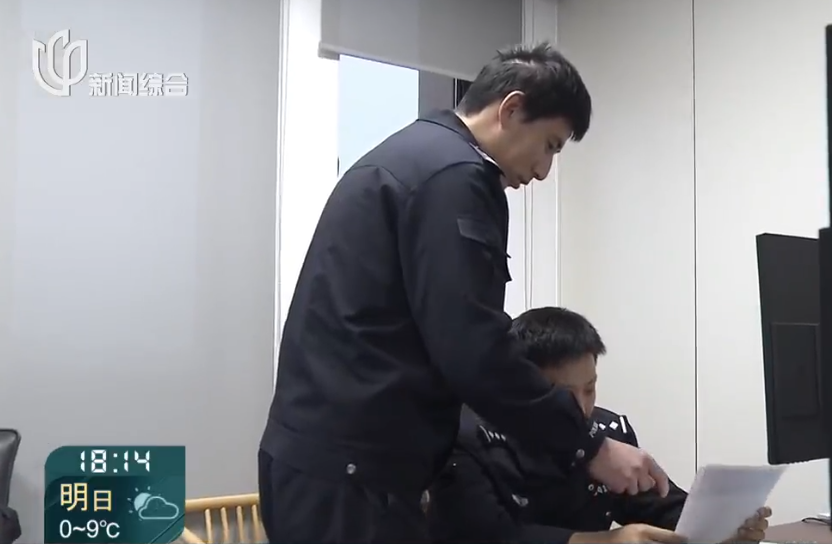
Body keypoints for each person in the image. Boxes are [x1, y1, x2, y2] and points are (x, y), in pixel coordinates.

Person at [258, 43, 669, 543]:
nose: (543, 170)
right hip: (355, 477)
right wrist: (587, 446)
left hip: (326, 465)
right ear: (511, 109)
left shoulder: (412, 156)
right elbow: (472, 345)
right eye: (549, 145)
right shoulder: (455, 177)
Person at [427, 307, 773, 544]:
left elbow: (659, 507)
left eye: (590, 388)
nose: (580, 409)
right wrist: (605, 541)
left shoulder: (606, 434)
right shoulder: (465, 435)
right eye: (562, 395)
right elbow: (485, 535)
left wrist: (721, 529)